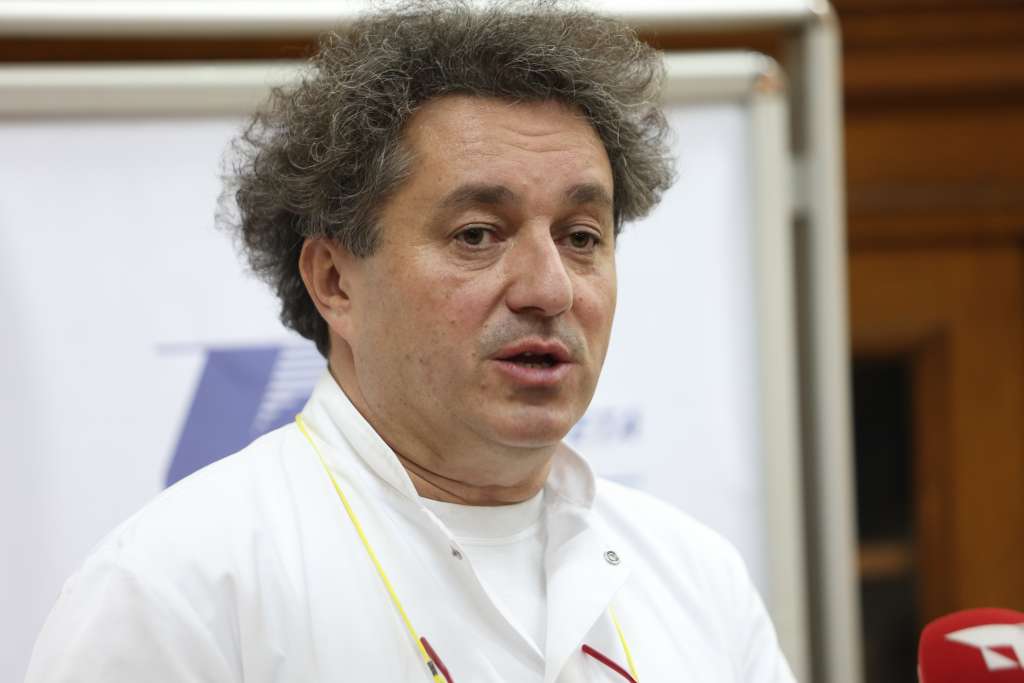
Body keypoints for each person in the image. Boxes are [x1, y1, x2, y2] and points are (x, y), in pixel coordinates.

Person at [26, 2, 797, 681]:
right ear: (335, 281)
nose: (550, 288)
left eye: (581, 236)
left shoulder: (697, 578)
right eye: (477, 234)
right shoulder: (176, 590)